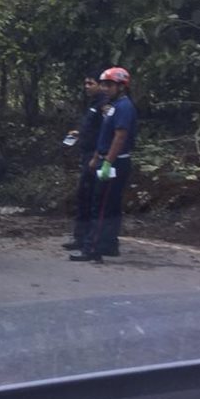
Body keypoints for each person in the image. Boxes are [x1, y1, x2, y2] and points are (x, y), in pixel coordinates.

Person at [72, 67, 138, 263]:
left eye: (109, 85)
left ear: (121, 87)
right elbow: (104, 135)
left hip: (115, 161)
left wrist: (108, 161)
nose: (105, 88)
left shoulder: (124, 107)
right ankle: (109, 245)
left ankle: (92, 248)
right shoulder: (112, 106)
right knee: (109, 205)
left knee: (100, 206)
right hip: (105, 158)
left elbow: (120, 136)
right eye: (103, 84)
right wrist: (97, 157)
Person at [62, 72, 109, 252]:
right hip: (87, 153)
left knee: (90, 196)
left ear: (100, 84)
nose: (87, 86)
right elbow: (91, 128)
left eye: (91, 83)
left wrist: (97, 156)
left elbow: (106, 133)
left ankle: (91, 240)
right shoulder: (93, 103)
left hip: (95, 156)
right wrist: (78, 134)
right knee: (83, 197)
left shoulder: (104, 104)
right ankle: (80, 237)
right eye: (85, 83)